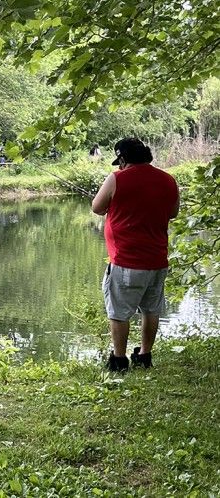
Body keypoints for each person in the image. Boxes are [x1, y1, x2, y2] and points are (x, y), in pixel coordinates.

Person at [91, 138, 179, 372]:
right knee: (151, 310)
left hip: (126, 261)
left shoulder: (116, 178)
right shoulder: (168, 180)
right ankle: (145, 355)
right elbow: (173, 213)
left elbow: (97, 208)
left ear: (122, 159)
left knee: (119, 312)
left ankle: (119, 360)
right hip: (157, 261)